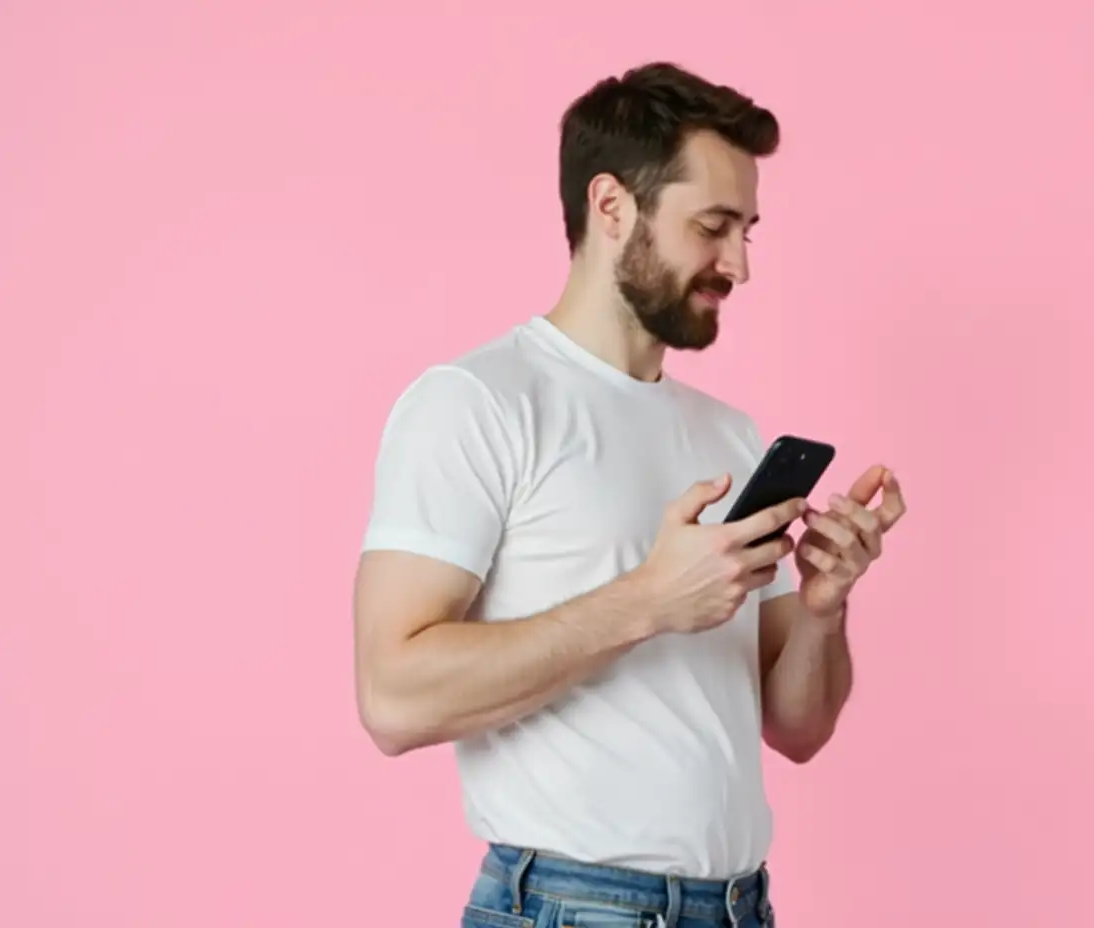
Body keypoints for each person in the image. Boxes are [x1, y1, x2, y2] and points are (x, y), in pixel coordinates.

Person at [353, 61, 907, 928]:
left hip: (737, 906)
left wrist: (826, 609)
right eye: (714, 227)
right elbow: (392, 700)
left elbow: (798, 729)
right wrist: (649, 600)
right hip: (572, 907)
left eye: (748, 231)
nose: (741, 266)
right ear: (611, 207)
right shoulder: (478, 404)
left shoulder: (730, 435)